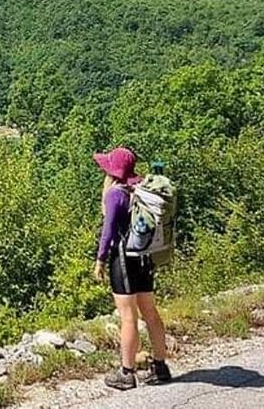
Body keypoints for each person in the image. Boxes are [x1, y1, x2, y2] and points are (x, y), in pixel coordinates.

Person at [93, 146, 173, 390]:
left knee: (128, 317)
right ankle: (160, 367)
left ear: (112, 172)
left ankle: (127, 373)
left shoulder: (115, 194)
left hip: (124, 259)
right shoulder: (140, 187)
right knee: (150, 312)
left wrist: (100, 260)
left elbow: (108, 231)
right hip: (144, 256)